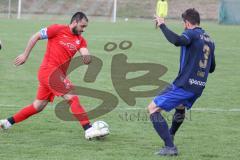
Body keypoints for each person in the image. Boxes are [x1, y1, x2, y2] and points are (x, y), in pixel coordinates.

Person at [0, 12, 109, 140]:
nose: (83, 30)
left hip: (55, 75)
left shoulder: (80, 40)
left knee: (38, 106)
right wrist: (25, 55)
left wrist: (87, 58)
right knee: (73, 98)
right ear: (74, 22)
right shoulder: (57, 29)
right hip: (49, 71)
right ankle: (88, 129)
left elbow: (86, 54)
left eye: (85, 27)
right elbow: (36, 36)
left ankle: (5, 123)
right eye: (82, 26)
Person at [149, 8, 216, 156]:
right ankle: (171, 134)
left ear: (186, 23)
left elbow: (178, 41)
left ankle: (170, 146)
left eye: (183, 23)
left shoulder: (190, 33)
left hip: (184, 84)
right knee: (180, 107)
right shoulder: (210, 40)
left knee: (153, 109)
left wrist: (162, 25)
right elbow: (211, 68)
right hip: (198, 87)